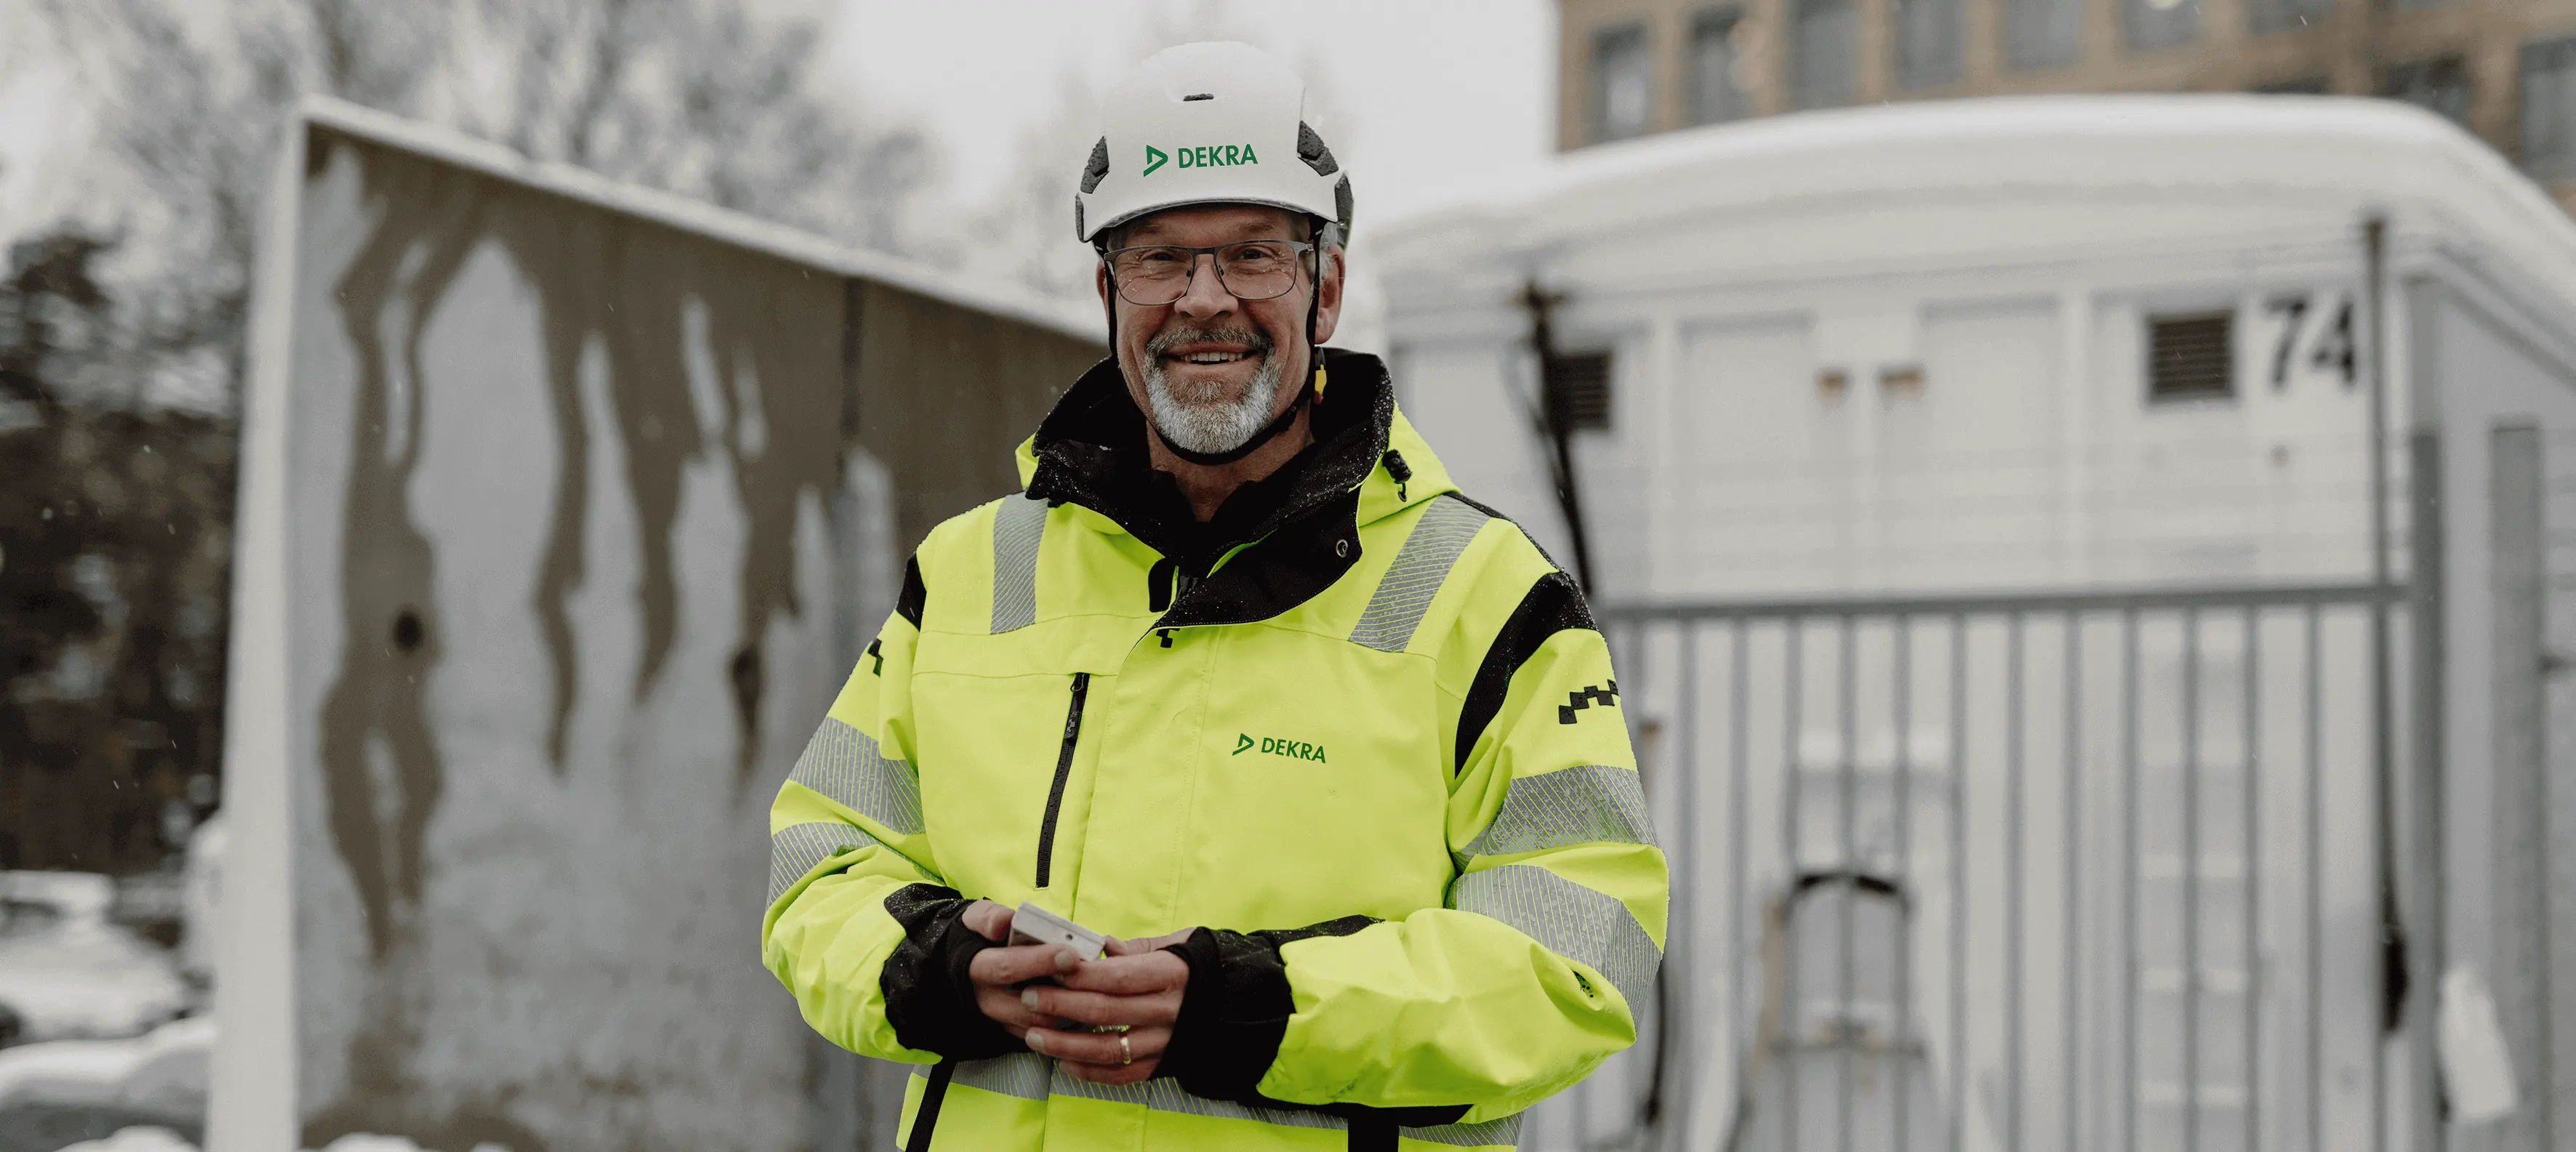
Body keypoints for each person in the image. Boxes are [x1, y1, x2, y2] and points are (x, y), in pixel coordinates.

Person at [761, 41, 1666, 1152]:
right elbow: (821, 870)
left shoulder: (1490, 601)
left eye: (1252, 255)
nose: (1204, 301)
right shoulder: (965, 573)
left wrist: (1249, 1004)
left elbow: (1576, 956)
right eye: (1158, 258)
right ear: (1107, 291)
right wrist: (943, 968)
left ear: (1325, 287)